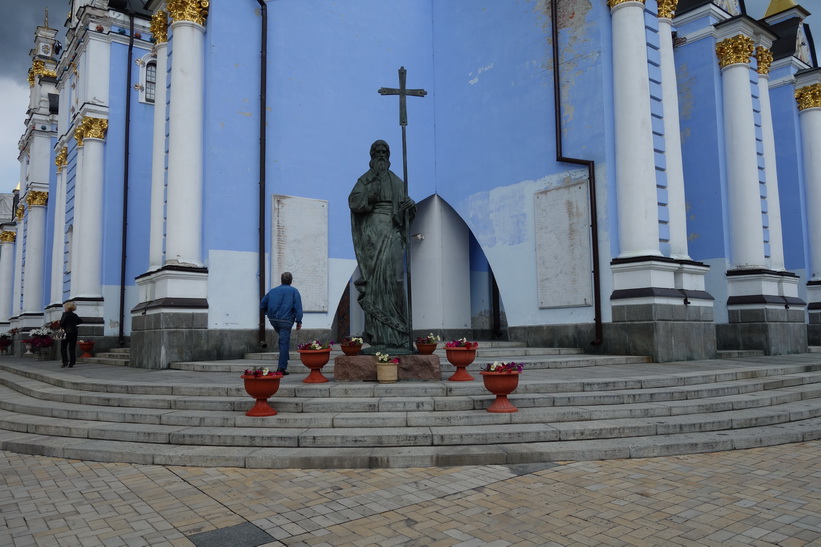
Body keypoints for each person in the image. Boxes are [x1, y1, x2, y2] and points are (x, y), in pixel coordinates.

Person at [349, 140, 416, 350]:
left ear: (388, 155)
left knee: (396, 279)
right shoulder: (365, 180)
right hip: (372, 235)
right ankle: (379, 337)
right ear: (371, 155)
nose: (380, 155)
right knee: (376, 285)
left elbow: (405, 213)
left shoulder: (397, 182)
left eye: (384, 151)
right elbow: (354, 201)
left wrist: (409, 208)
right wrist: (370, 194)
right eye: (376, 151)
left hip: (393, 231)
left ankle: (399, 333)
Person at [260, 272, 303, 374]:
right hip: (286, 321)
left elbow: (262, 304)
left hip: (274, 321)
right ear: (291, 280)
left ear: (281, 280)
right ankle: (282, 368)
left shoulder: (273, 291)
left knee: (282, 340)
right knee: (284, 343)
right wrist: (299, 321)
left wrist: (268, 314)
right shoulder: (294, 291)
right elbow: (298, 308)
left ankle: (285, 357)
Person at [59, 301, 82, 368]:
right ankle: (72, 362)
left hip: (66, 332)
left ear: (67, 307)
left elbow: (62, 323)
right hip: (74, 332)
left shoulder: (65, 314)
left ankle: (65, 362)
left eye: (65, 307)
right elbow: (80, 321)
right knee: (72, 348)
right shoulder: (75, 315)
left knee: (63, 347)